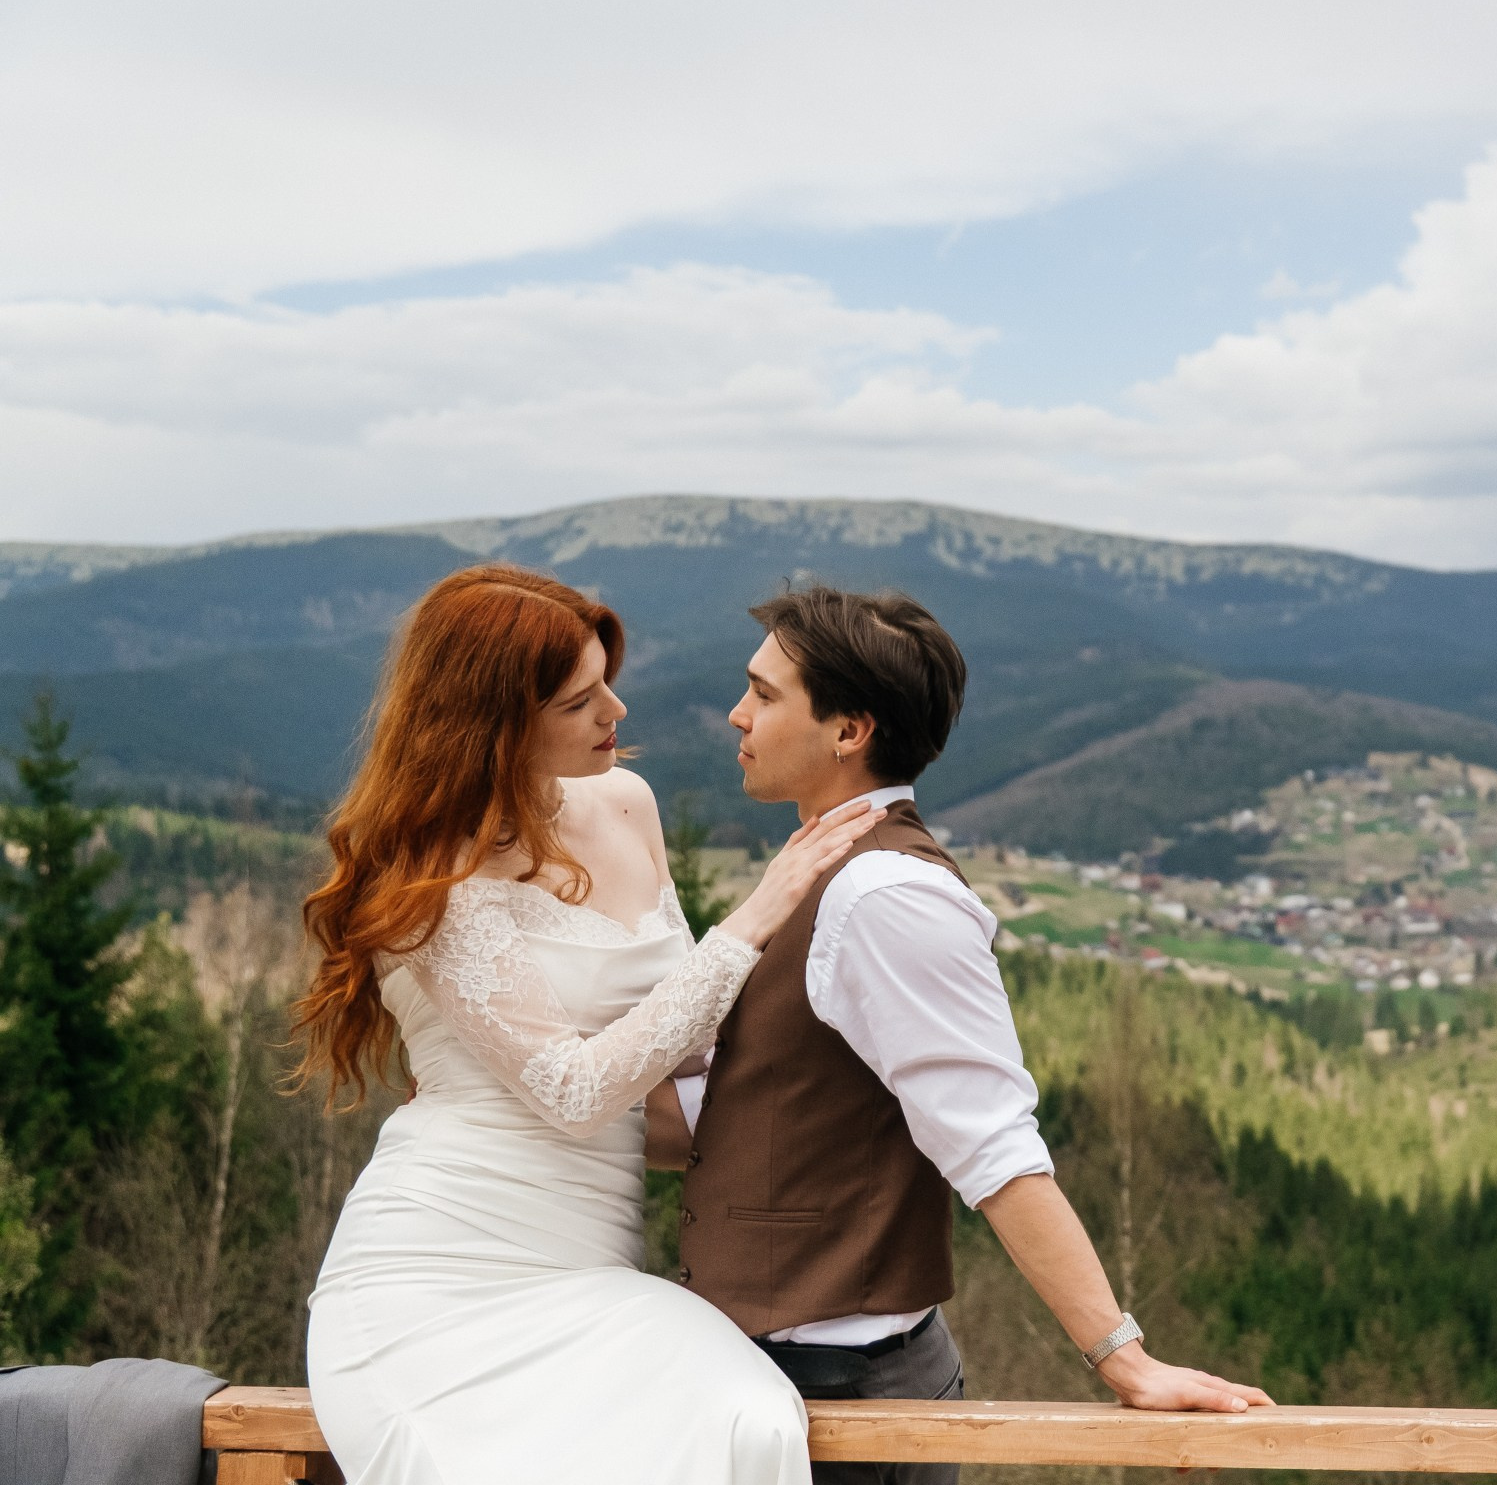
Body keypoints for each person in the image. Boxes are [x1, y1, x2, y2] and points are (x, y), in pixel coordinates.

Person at [647, 584, 1269, 1485]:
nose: (737, 713)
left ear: (849, 730)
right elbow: (756, 1110)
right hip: (776, 1382)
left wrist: (1123, 1359)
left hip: (850, 1404)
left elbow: (993, 1145)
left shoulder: (888, 896)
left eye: (765, 694)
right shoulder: (820, 865)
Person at [295, 565, 886, 1485]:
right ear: (496, 725)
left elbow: (683, 1045)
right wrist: (753, 919)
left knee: (749, 1419)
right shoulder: (431, 877)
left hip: (596, 1268)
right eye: (579, 701)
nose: (616, 708)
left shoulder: (626, 804)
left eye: (607, 679)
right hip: (439, 1277)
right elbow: (574, 1093)